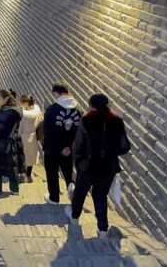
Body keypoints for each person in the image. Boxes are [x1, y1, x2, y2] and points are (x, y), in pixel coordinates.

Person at [66, 94, 131, 238]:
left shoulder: (86, 120)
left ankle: (75, 218)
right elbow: (125, 146)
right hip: (108, 167)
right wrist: (111, 153)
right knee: (100, 196)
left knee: (80, 193)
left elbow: (78, 144)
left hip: (88, 165)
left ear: (92, 105)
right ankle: (102, 230)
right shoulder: (117, 120)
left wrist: (78, 162)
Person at [43, 83, 81, 204]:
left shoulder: (52, 109)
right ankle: (71, 185)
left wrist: (59, 147)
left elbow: (48, 132)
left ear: (56, 93)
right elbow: (79, 131)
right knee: (67, 170)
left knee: (52, 172)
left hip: (52, 148)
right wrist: (68, 147)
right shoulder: (78, 110)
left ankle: (54, 198)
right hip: (69, 149)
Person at [0, 90, 24, 195]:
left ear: (6, 99)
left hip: (1, 143)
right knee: (13, 166)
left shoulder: (5, 112)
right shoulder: (17, 110)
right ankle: (15, 189)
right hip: (13, 142)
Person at [19, 95, 43, 183]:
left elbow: (21, 126)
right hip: (33, 136)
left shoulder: (25, 114)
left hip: (25, 136)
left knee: (24, 156)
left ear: (26, 103)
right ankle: (28, 175)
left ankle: (24, 176)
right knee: (31, 158)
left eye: (22, 103)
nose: (21, 104)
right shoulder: (37, 109)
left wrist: (18, 134)